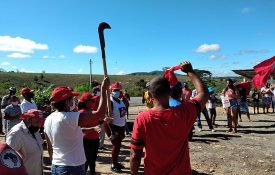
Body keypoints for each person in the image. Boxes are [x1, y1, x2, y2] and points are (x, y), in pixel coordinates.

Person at [130, 61, 209, 175]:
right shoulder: (184, 112)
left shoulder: (142, 118)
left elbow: (135, 154)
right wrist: (190, 71)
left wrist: (133, 173)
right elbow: (204, 93)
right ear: (170, 92)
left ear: (150, 96)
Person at [44, 77, 109, 175]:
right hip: (71, 168)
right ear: (67, 102)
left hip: (57, 166)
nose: (74, 100)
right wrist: (104, 90)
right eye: (71, 99)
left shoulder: (48, 119)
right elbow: (100, 113)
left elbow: (50, 147)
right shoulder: (70, 117)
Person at [6, 109, 44, 175]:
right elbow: (7, 159)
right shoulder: (16, 133)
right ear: (28, 119)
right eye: (37, 122)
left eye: (40, 122)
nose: (39, 125)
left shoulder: (35, 130)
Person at [78, 92, 102, 175]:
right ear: (86, 102)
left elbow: (97, 121)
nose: (93, 102)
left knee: (92, 160)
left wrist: (104, 120)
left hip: (95, 139)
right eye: (92, 100)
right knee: (86, 161)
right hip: (86, 140)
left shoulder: (91, 111)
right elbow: (79, 129)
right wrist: (93, 129)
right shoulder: (82, 113)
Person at [108, 82, 127, 173]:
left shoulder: (120, 100)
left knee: (118, 146)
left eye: (118, 90)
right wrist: (112, 131)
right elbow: (109, 118)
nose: (117, 92)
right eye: (115, 90)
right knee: (116, 145)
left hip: (121, 126)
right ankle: (113, 164)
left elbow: (123, 113)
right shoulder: (110, 102)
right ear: (111, 91)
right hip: (114, 126)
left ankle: (116, 162)